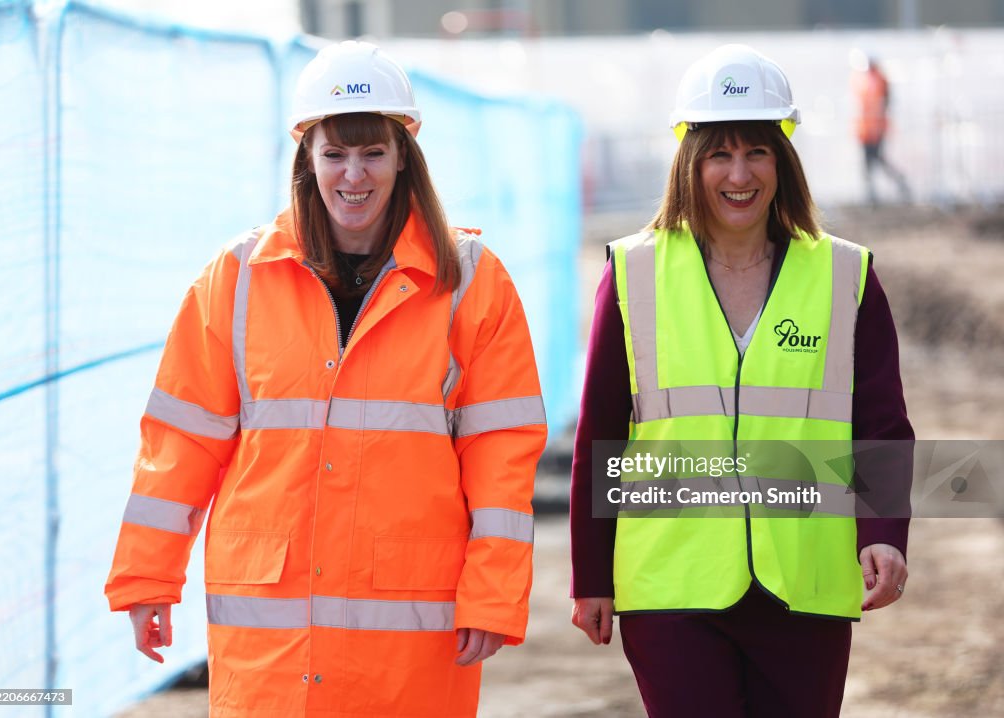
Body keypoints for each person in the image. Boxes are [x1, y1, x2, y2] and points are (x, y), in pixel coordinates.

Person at [105, 41, 547, 718]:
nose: (354, 175)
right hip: (271, 636)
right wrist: (147, 578)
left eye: (373, 152)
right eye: (335, 153)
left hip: (408, 631)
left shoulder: (469, 282)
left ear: (405, 156)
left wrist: (492, 590)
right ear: (306, 158)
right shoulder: (239, 278)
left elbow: (502, 455)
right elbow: (181, 439)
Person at [569, 45, 913, 717]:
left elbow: (880, 422)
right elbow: (601, 429)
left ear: (782, 162)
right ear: (688, 162)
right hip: (672, 581)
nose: (738, 174)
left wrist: (883, 531)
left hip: (805, 581)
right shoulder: (633, 274)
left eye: (757, 152)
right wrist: (591, 573)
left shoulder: (846, 275)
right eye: (718, 154)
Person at [852, 56, 911, 205]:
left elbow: (884, 103)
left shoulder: (880, 79)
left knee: (877, 160)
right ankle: (872, 195)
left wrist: (878, 128)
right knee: (868, 163)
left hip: (876, 129)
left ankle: (897, 182)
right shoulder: (862, 79)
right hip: (866, 130)